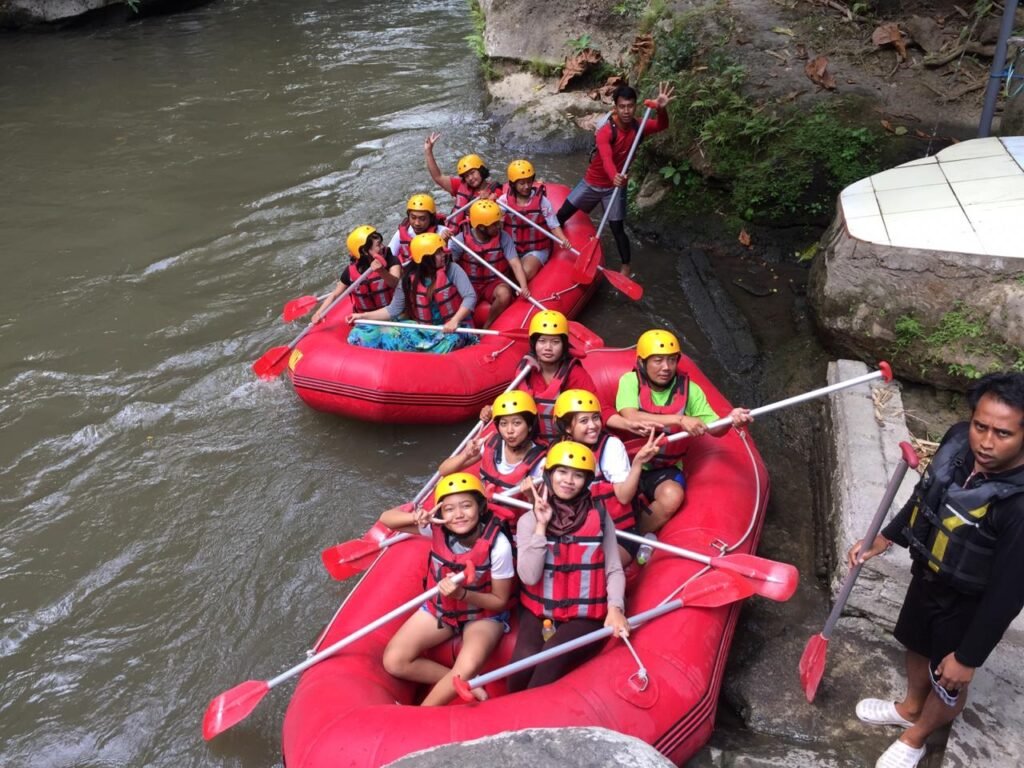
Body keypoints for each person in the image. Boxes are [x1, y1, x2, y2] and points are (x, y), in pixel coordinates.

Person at [848, 372, 1024, 768]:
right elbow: (928, 492)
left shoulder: (1019, 506)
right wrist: (888, 537)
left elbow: (1009, 593)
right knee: (915, 641)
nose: (986, 442)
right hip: (929, 574)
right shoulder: (959, 439)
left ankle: (917, 736)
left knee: (948, 678)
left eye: (1003, 433)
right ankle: (911, 706)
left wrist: (969, 656)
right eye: (981, 426)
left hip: (970, 601)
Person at [379, 472, 514, 706]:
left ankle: (420, 715)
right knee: (394, 661)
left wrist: (462, 594)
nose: (459, 515)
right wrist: (418, 517)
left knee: (464, 669)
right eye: (449, 509)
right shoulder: (436, 528)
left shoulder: (499, 546)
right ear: (441, 512)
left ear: (480, 508)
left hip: (483, 615)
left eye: (466, 506)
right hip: (443, 608)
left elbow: (499, 600)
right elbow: (387, 519)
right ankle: (469, 683)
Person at [508, 441, 629, 691]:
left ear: (586, 482)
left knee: (552, 656)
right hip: (540, 611)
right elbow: (529, 577)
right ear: (549, 475)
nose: (568, 480)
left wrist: (615, 607)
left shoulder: (599, 517)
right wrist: (541, 527)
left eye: (577, 475)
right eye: (562, 472)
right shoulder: (528, 521)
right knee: (519, 670)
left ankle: (530, 721)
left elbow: (614, 568)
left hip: (585, 615)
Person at [615, 329, 752, 533]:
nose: (666, 367)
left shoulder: (691, 390)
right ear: (642, 362)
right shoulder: (630, 381)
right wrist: (679, 419)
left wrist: (731, 420)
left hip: (662, 468)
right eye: (658, 360)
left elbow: (715, 429)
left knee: (672, 497)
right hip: (627, 462)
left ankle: (632, 538)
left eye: (671, 360)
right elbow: (630, 417)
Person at [556, 82, 675, 276]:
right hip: (593, 182)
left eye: (630, 106)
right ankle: (554, 242)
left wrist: (661, 110)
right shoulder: (606, 131)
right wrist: (614, 176)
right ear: (615, 108)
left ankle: (625, 267)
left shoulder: (639, 126)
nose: (626, 111)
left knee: (617, 227)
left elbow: (663, 125)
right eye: (622, 106)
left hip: (615, 187)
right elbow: (606, 158)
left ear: (635, 106)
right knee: (562, 214)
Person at [553, 389, 660, 564]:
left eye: (595, 418)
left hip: (617, 534)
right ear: (567, 427)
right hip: (574, 532)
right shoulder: (558, 450)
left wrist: (638, 463)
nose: (593, 425)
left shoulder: (611, 446)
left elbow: (624, 497)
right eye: (584, 421)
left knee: (590, 572)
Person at [345, 232, 477, 353]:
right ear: (426, 258)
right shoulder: (408, 278)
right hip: (424, 330)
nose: (444, 254)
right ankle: (416, 354)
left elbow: (470, 296)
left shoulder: (452, 269)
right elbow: (393, 310)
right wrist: (361, 316)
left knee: (450, 342)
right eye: (438, 252)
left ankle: (421, 355)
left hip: (455, 328)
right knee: (359, 334)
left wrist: (455, 321)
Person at [439, 390, 547, 524]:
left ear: (530, 426)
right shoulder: (492, 445)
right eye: (503, 424)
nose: (509, 431)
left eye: (517, 423)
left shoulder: (540, 463)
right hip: (481, 516)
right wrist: (466, 455)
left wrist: (531, 496)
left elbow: (543, 511)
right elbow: (444, 471)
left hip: (511, 525)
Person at [449, 199, 530, 329]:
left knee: (504, 294)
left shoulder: (503, 237)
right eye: (494, 224)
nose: (499, 226)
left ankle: (487, 327)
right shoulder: (461, 239)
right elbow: (449, 264)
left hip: (494, 282)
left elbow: (515, 263)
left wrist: (523, 286)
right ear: (481, 227)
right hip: (470, 283)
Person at [496, 159, 571, 280]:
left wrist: (563, 240)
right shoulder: (504, 201)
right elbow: (495, 224)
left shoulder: (542, 201)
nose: (526, 186)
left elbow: (553, 224)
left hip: (536, 250)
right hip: (511, 248)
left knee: (523, 274)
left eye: (529, 182)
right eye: (521, 183)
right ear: (513, 184)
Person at [311, 225, 401, 324]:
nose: (383, 246)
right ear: (364, 251)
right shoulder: (350, 271)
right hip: (365, 320)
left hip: (391, 315)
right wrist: (319, 313)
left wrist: (382, 271)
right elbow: (335, 295)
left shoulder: (391, 259)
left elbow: (395, 283)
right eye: (378, 245)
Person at [424, 134, 501, 230]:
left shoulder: (496, 190)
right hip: (460, 234)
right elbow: (438, 177)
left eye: (473, 173)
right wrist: (428, 151)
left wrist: (489, 201)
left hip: (481, 234)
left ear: (481, 170)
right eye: (466, 176)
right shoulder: (460, 185)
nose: (470, 178)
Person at [387, 194, 448, 266]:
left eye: (422, 219)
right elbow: (389, 256)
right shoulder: (403, 232)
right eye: (413, 217)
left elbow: (448, 261)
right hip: (408, 272)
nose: (417, 223)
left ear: (431, 218)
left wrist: (445, 243)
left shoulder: (443, 233)